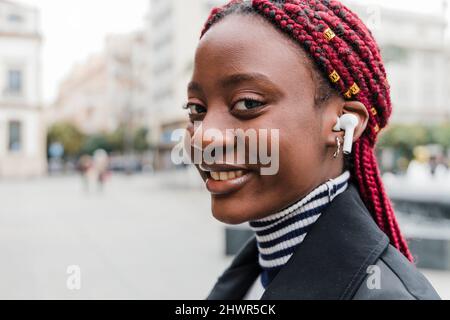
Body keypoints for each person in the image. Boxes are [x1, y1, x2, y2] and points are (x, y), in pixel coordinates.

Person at [185, 0, 440, 299]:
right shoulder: (257, 270)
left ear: (342, 125)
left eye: (248, 103)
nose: (203, 138)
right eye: (196, 109)